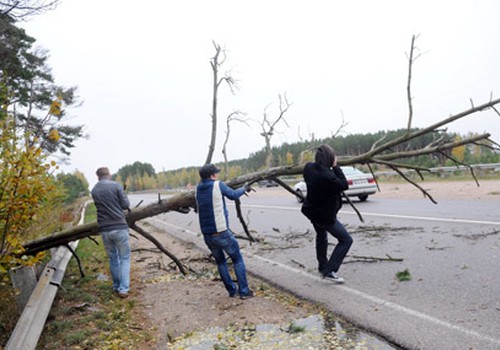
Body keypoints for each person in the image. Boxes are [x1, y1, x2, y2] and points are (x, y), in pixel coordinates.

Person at [195, 163, 254, 300]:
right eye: (216, 173)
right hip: (221, 232)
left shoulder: (198, 189)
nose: (217, 175)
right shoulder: (217, 185)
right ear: (212, 175)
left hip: (207, 234)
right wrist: (244, 188)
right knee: (237, 259)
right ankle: (244, 292)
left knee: (221, 262)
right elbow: (233, 195)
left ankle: (232, 291)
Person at [300, 144, 353, 283]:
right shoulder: (328, 176)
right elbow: (344, 185)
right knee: (346, 240)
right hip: (324, 215)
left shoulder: (309, 168)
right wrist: (335, 166)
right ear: (330, 159)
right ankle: (329, 270)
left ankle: (322, 265)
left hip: (311, 211)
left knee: (321, 235)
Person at [91, 167, 131, 298]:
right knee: (124, 258)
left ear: (98, 177)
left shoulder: (94, 190)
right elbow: (125, 205)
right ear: (109, 174)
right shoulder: (116, 185)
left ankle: (116, 286)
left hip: (105, 230)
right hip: (119, 226)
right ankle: (123, 289)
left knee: (113, 258)